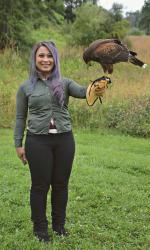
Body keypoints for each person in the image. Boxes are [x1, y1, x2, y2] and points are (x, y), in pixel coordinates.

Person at [14, 41, 106, 243]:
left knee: (61, 184)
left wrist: (98, 84)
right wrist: (18, 144)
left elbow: (84, 92)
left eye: (49, 56)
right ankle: (40, 229)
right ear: (35, 59)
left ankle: (59, 226)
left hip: (64, 140)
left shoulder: (64, 83)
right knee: (40, 186)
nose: (46, 59)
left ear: (55, 59)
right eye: (41, 56)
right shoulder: (25, 87)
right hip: (37, 141)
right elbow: (20, 117)